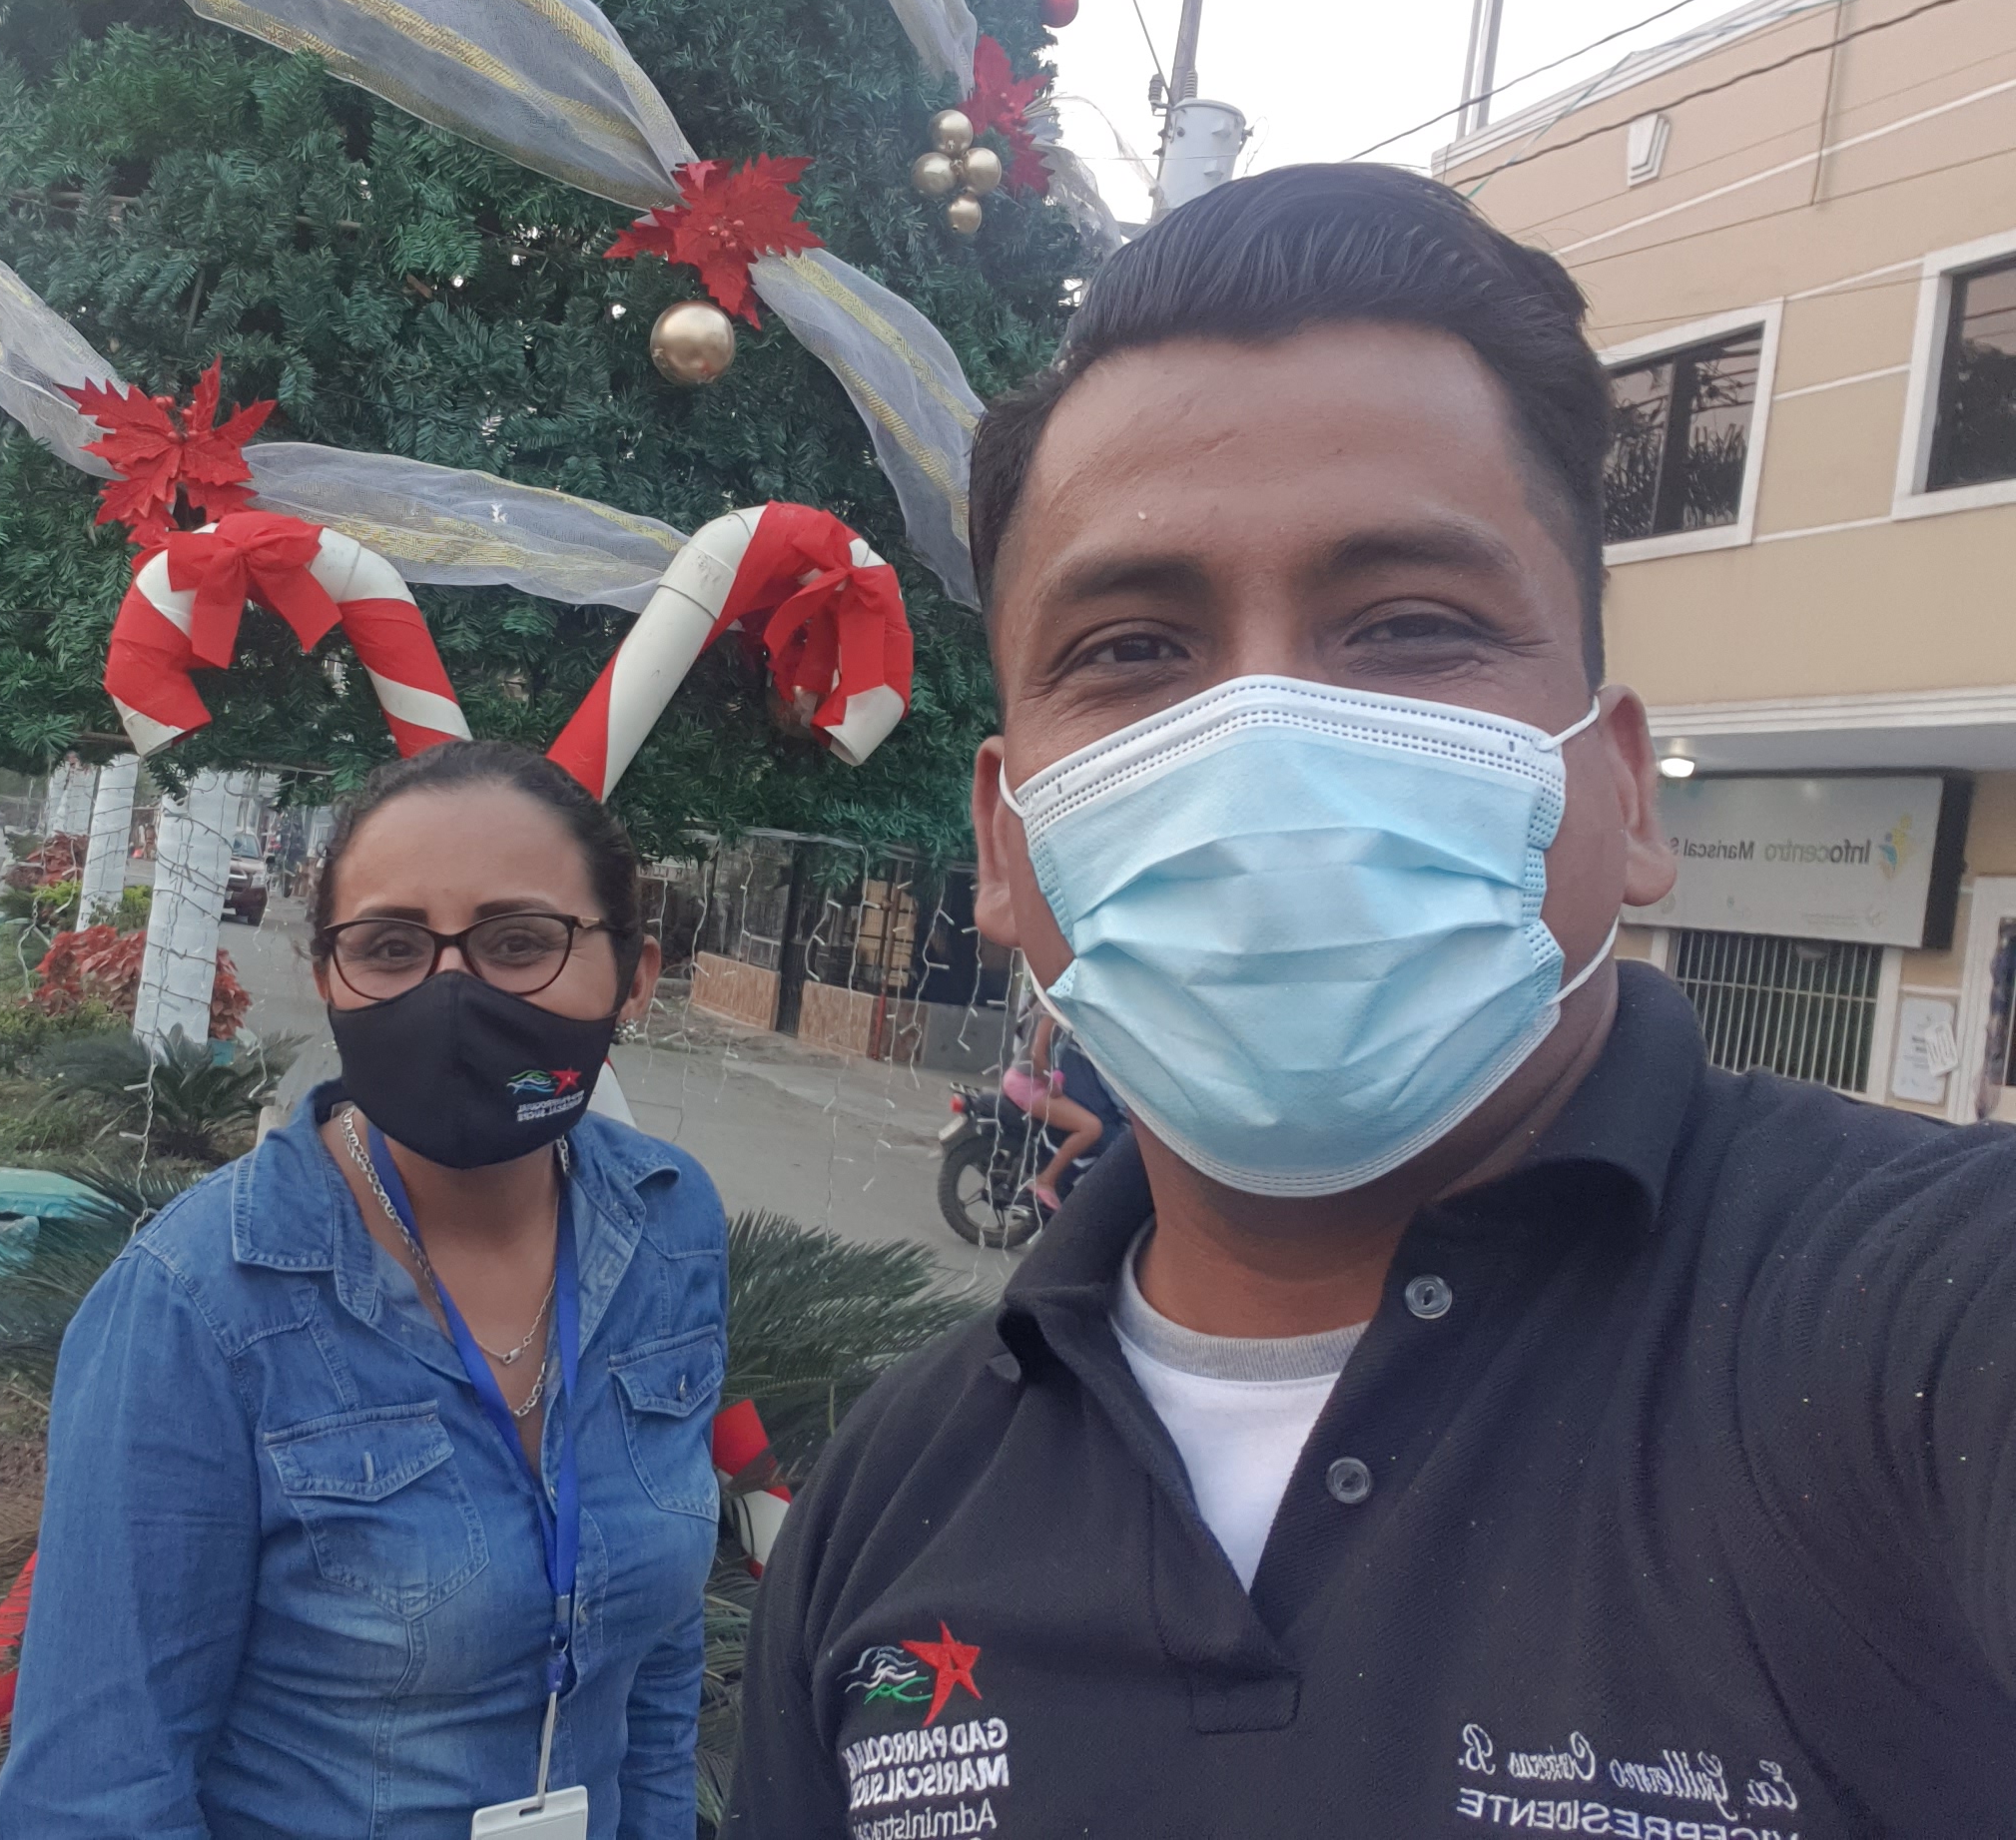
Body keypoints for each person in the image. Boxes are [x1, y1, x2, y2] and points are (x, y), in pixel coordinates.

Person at [725, 164, 2016, 1833]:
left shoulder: (1917, 1337)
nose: (1267, 741)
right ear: (1000, 837)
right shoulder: (893, 1498)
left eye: (1411, 625)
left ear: (1625, 792)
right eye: (1132, 649)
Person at [0, 738, 728, 1840]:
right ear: (328, 976)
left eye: (519, 942)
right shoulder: (200, 1302)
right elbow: (97, 1795)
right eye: (390, 947)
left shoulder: (671, 1226)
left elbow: (659, 1675)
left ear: (635, 975)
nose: (452, 992)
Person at [999, 1009, 1102, 1211]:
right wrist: (1051, 1081)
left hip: (1024, 1079)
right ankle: (1046, 1180)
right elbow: (1037, 1054)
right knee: (1092, 1127)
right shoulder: (1050, 1009)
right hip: (1027, 1084)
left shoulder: (1042, 1005)